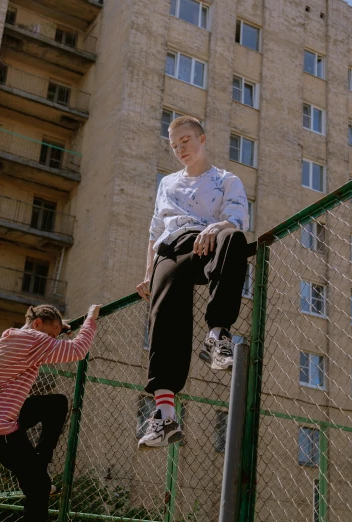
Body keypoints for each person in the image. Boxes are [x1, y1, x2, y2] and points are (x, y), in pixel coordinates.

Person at [136, 115, 249, 450]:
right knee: (165, 314)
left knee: (234, 238)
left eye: (185, 141)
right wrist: (147, 273)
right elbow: (155, 232)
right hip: (172, 250)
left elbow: (238, 218)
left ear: (203, 139)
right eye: (173, 145)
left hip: (207, 244)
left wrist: (214, 228)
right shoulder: (167, 184)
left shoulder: (227, 180)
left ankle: (217, 335)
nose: (179, 149)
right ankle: (163, 414)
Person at [0, 303, 100, 521]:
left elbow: (42, 334)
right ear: (37, 323)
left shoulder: (14, 337)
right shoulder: (34, 340)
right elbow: (78, 350)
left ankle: (39, 466)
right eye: (51, 334)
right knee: (38, 488)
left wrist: (57, 328)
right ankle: (41, 466)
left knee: (55, 404)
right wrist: (91, 319)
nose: (52, 340)